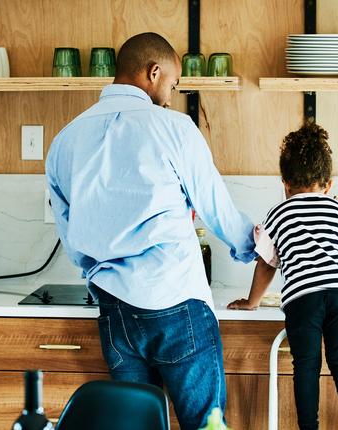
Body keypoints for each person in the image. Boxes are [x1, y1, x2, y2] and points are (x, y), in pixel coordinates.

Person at [45, 32, 256, 430]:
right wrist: (259, 248)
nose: (171, 95)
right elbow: (216, 208)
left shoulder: (66, 139)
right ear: (153, 72)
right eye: (173, 84)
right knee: (205, 426)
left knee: (132, 424)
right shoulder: (175, 128)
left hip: (115, 311)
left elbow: (70, 234)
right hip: (175, 301)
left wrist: (96, 271)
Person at [228, 122, 338, 430]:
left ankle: (308, 427)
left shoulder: (278, 214)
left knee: (306, 366)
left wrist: (252, 302)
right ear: (328, 185)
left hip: (304, 297)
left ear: (285, 184)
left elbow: (266, 263)